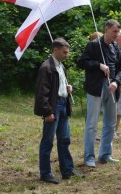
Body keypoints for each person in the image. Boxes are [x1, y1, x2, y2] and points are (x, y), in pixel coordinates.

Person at [77, 19, 121, 168]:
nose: (116, 35)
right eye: (114, 32)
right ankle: (89, 156)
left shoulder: (116, 47)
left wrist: (116, 82)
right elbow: (81, 62)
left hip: (112, 88)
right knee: (92, 124)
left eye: (118, 32)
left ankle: (105, 154)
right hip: (95, 88)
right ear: (106, 29)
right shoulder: (94, 45)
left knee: (110, 123)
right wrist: (98, 65)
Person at [35, 38, 84, 184]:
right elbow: (42, 93)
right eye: (64, 52)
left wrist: (67, 88)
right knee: (48, 141)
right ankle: (45, 173)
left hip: (62, 104)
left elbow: (58, 85)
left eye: (67, 52)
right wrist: (48, 112)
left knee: (64, 139)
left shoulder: (61, 66)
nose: (66, 55)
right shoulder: (46, 68)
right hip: (53, 107)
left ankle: (67, 170)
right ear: (55, 50)